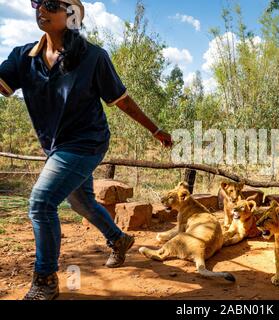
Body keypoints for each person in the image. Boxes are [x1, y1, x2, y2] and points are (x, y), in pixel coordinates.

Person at [0, 0, 173, 300]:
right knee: (81, 202)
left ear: (72, 16)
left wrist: (155, 130)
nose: (40, 8)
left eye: (51, 4)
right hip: (55, 146)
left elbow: (123, 101)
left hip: (87, 141)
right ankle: (119, 239)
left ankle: (45, 280)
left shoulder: (94, 57)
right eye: (37, 2)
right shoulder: (23, 57)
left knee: (41, 203)